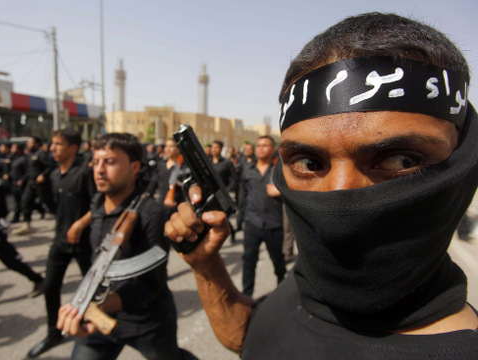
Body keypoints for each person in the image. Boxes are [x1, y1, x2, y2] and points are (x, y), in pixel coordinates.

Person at [165, 12, 478, 359]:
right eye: (309, 164)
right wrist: (206, 265)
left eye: (400, 160)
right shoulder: (305, 286)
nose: (339, 198)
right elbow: (252, 337)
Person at [57, 133, 195, 360]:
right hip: (101, 319)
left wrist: (91, 306)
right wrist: (80, 224)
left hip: (146, 322)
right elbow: (98, 216)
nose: (99, 169)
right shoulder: (99, 202)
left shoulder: (151, 213)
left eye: (110, 162)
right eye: (96, 162)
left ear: (134, 167)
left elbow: (151, 286)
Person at [28, 129, 95, 358]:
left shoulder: (85, 172)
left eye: (58, 144)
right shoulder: (54, 174)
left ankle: (98, 331)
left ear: (73, 148)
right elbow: (52, 207)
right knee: (50, 286)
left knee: (93, 289)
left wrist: (79, 225)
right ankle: (54, 332)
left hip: (84, 242)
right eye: (52, 144)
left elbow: (98, 204)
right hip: (60, 241)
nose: (52, 148)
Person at [240, 136, 286, 296]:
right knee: (248, 261)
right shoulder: (247, 169)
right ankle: (247, 296)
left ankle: (281, 292)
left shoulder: (280, 170)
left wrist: (282, 192)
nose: (260, 148)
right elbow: (243, 194)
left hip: (274, 224)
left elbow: (295, 190)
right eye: (258, 145)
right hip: (252, 223)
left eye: (265, 145)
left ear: (273, 149)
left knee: (278, 261)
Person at [13, 136, 55, 235]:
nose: (28, 144)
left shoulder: (41, 154)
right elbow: (29, 171)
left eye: (30, 142)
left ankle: (60, 219)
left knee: (48, 202)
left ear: (36, 143)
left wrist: (43, 175)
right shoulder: (30, 155)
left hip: (41, 184)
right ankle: (26, 224)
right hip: (31, 182)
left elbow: (50, 166)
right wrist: (23, 180)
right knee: (25, 201)